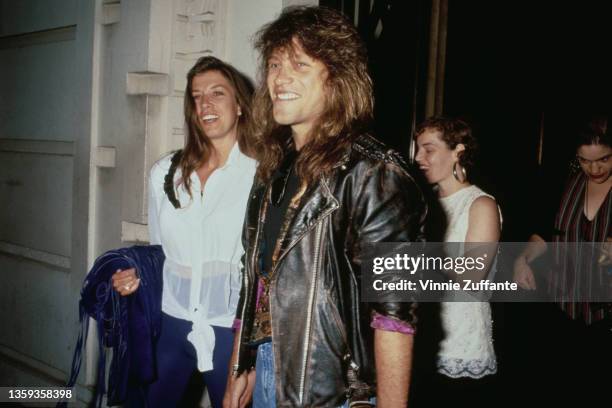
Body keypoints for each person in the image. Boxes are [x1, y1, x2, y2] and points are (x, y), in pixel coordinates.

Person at [223, 6, 427, 408]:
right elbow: (256, 282)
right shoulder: (272, 168)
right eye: (275, 64)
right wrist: (240, 366)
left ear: (336, 78)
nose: (280, 78)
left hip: (336, 392)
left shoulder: (374, 173)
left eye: (299, 64)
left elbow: (395, 314)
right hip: (268, 368)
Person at [111, 56, 257, 407]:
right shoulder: (166, 171)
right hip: (170, 323)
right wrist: (134, 275)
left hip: (231, 329)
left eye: (217, 93)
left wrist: (253, 357)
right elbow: (160, 250)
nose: (205, 104)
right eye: (196, 96)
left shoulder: (262, 171)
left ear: (239, 105)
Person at [512, 118, 611, 404]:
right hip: (562, 314)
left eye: (604, 159)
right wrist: (523, 259)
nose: (594, 169)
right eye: (585, 161)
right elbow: (545, 233)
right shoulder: (564, 183)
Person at [413, 117, 501, 406]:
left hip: (460, 346)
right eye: (417, 149)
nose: (418, 158)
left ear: (458, 152)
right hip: (422, 342)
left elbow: (472, 274)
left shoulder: (480, 204)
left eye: (428, 149)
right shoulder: (422, 205)